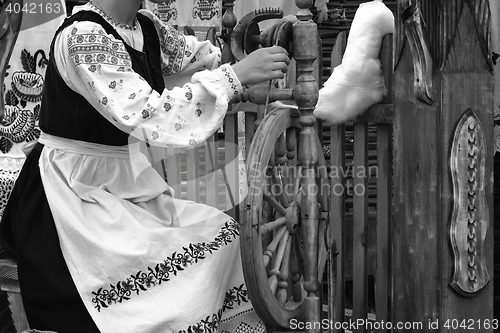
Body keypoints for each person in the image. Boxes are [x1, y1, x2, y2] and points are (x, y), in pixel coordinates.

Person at [0, 0, 290, 332]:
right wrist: (234, 77)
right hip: (71, 196)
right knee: (161, 295)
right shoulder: (83, 35)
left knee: (224, 238)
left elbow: (207, 59)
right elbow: (147, 112)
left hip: (125, 187)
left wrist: (255, 51)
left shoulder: (147, 29)